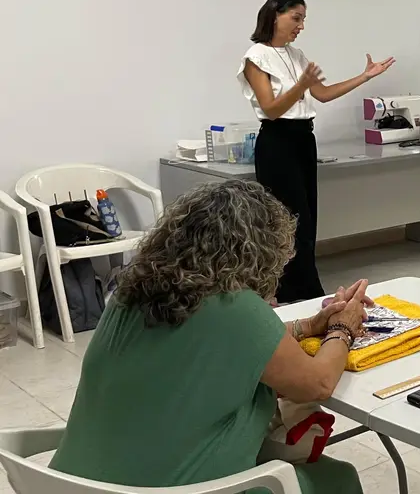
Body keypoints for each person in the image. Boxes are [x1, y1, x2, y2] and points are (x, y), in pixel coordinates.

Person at [51, 180, 369, 493]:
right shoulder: (237, 307)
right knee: (337, 479)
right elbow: (318, 383)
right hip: (178, 489)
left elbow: (227, 345)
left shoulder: (132, 292)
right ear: (260, 252)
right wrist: (344, 327)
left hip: (70, 484)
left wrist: (308, 327)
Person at [238, 0, 395, 303]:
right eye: (296, 18)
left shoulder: (296, 55)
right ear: (274, 15)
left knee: (308, 217)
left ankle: (301, 288)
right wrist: (300, 84)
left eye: (303, 19)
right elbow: (271, 108)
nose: (301, 25)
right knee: (288, 221)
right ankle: (297, 290)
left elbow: (322, 94)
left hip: (302, 139)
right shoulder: (255, 57)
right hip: (277, 141)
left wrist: (364, 77)